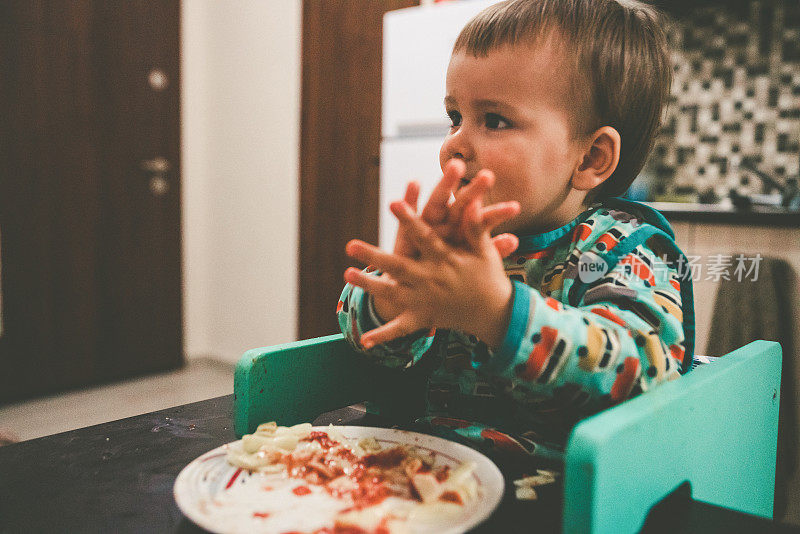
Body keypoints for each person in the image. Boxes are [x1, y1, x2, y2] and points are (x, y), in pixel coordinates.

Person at [337, 0, 694, 460]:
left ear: (590, 158)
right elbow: (375, 351)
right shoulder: (458, 242)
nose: (453, 146)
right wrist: (392, 298)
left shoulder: (625, 252)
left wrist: (500, 314)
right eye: (455, 117)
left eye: (494, 121)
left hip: (560, 493)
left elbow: (641, 376)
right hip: (431, 472)